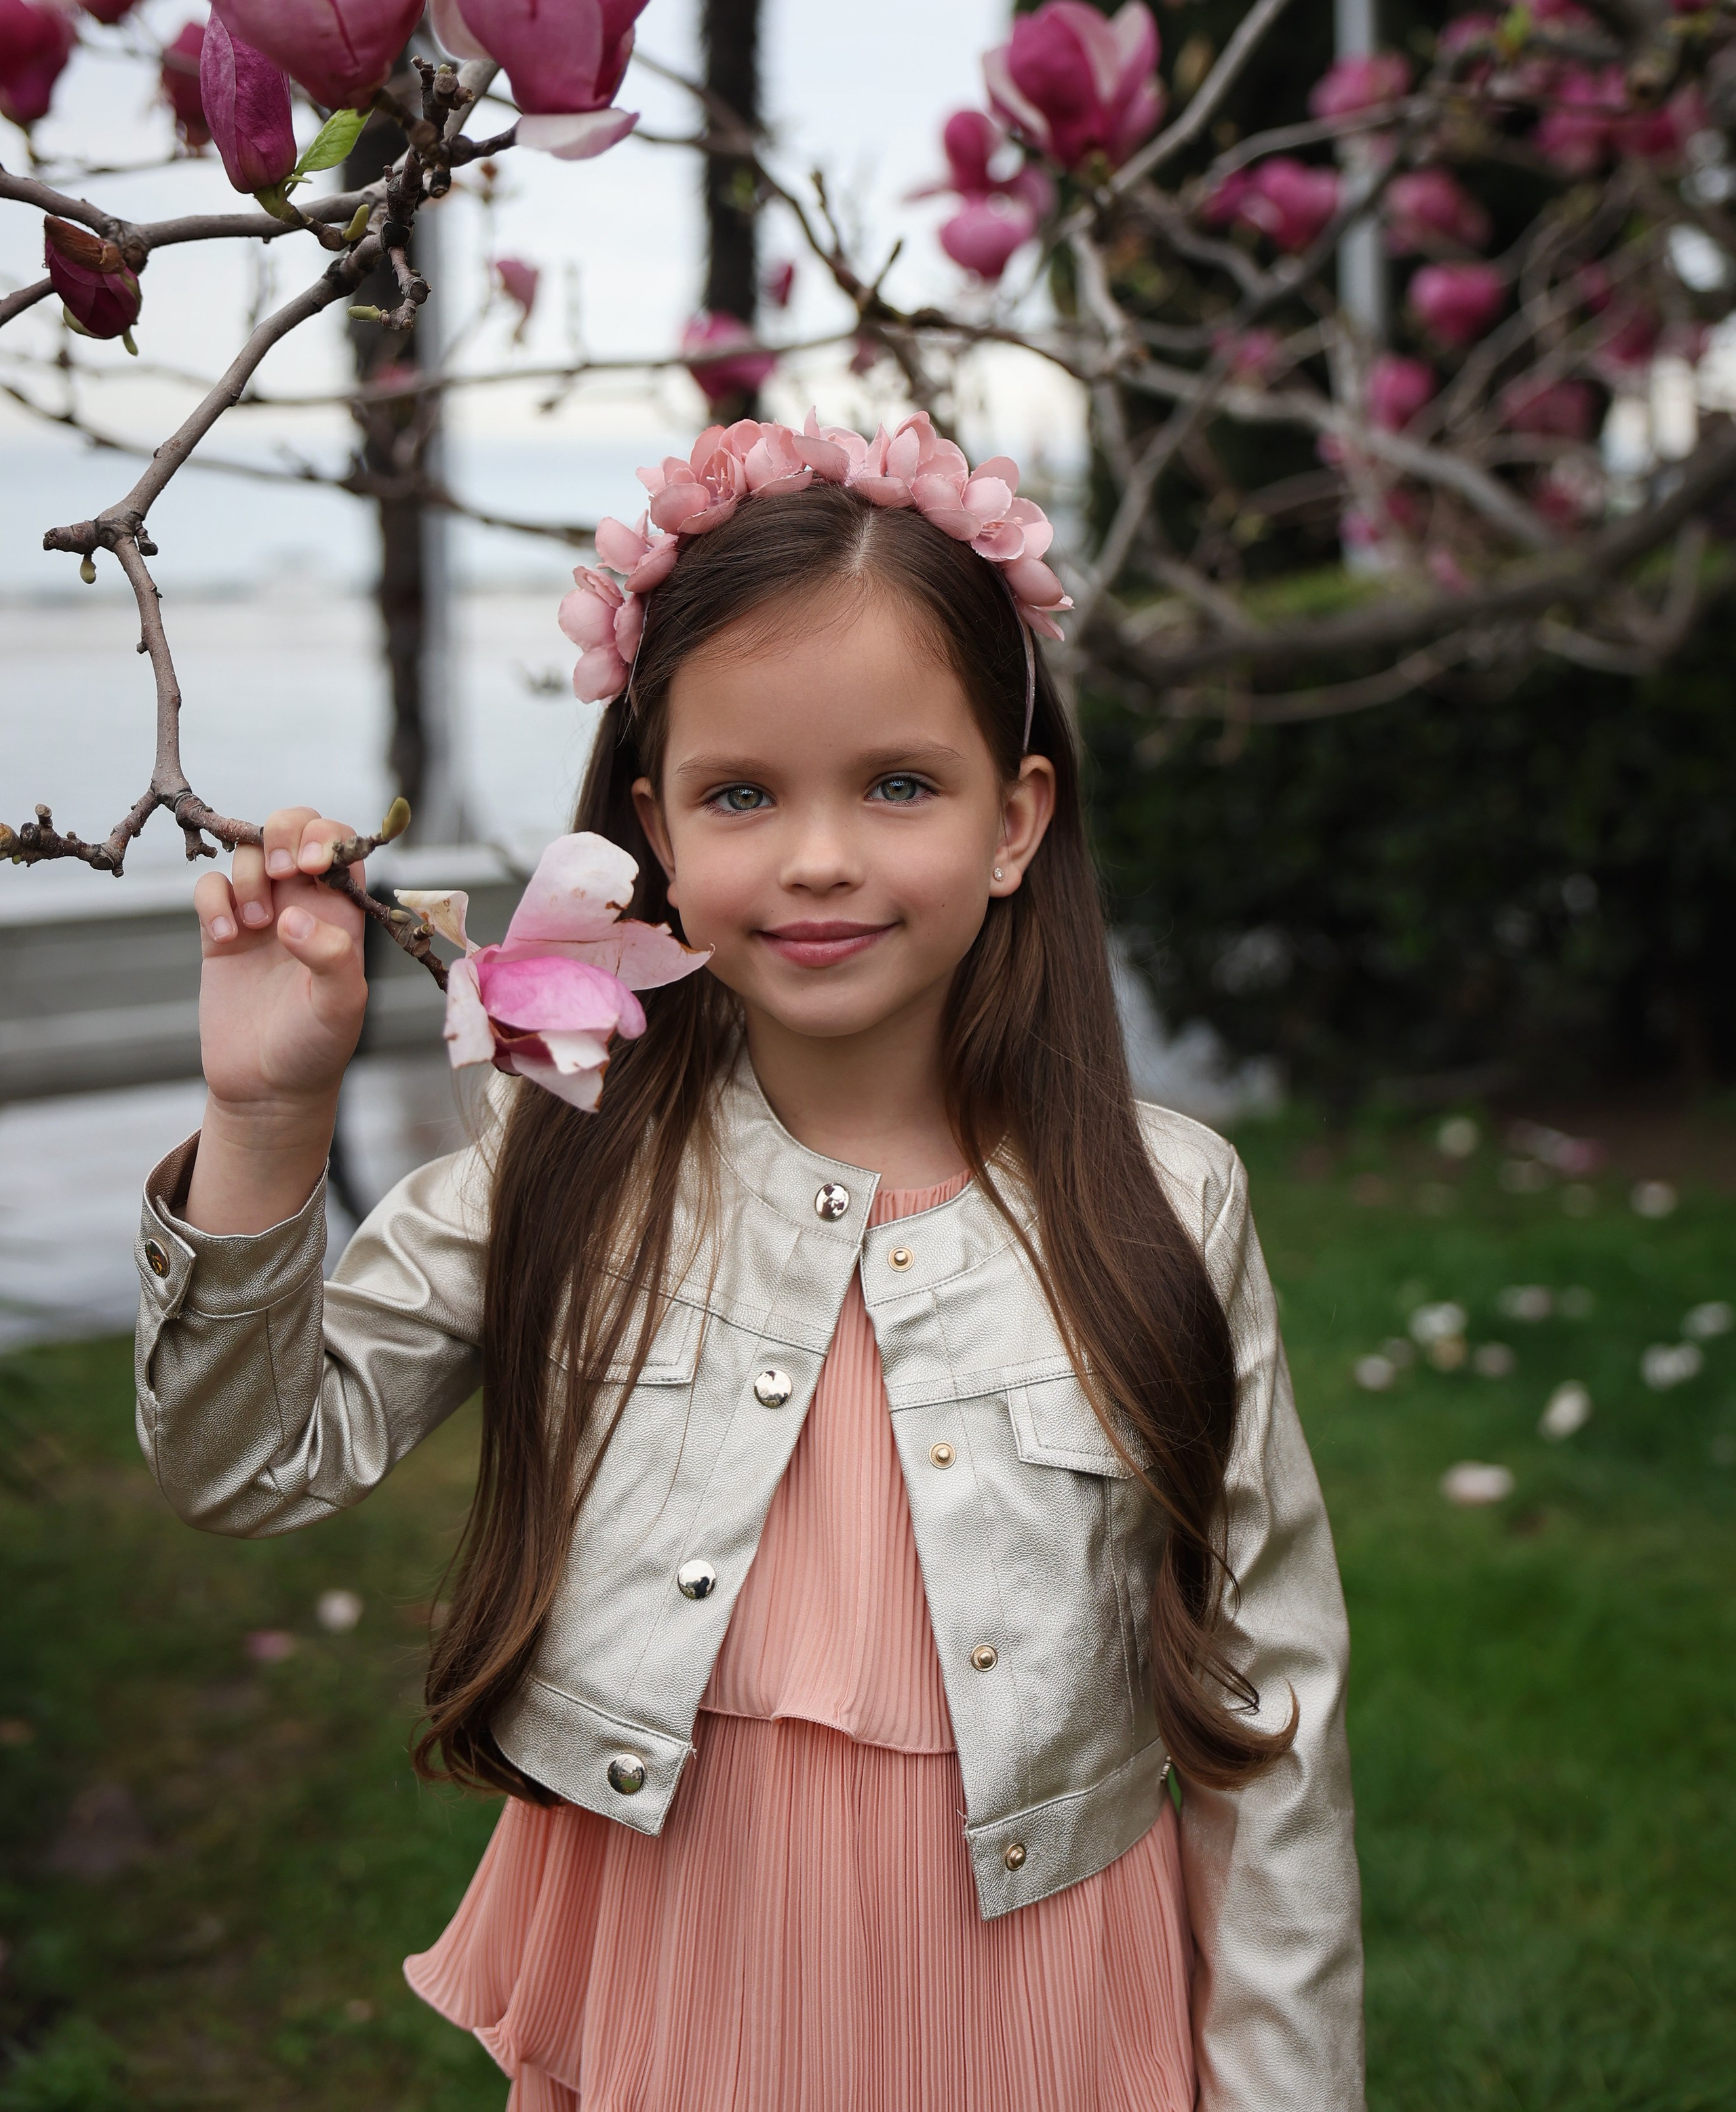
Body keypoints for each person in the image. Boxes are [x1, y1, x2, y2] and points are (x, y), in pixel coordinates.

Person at [134, 414, 1363, 2111]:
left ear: (1014, 823)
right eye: (740, 794)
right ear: (652, 828)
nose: (815, 858)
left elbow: (1265, 1692)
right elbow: (246, 1458)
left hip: (1034, 2000)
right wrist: (264, 1116)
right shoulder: (567, 1158)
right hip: (682, 1978)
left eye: (898, 784)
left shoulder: (1162, 1200)